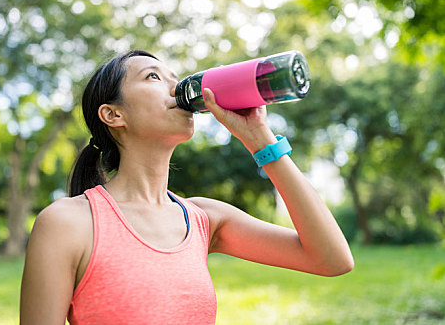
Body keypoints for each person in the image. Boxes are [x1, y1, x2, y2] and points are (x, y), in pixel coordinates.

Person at [20, 50, 354, 324]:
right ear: (113, 115)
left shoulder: (203, 218)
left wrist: (261, 141)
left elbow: (331, 259)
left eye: (173, 77)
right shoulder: (69, 223)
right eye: (152, 76)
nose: (175, 86)